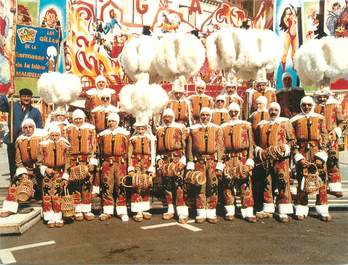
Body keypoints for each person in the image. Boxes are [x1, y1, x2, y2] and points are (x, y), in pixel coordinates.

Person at [291, 96, 331, 221]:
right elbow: (292, 140)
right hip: (302, 153)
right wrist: (298, 155)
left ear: (312, 105)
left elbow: (325, 138)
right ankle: (301, 207)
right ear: (300, 105)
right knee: (301, 180)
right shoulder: (295, 120)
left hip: (317, 152)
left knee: (321, 180)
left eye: (309, 105)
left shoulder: (320, 119)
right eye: (304, 105)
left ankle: (322, 208)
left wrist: (322, 155)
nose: (306, 107)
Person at [254, 102, 295, 222]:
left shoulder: (285, 123)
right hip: (266, 158)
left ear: (279, 111)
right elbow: (256, 141)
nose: (273, 112)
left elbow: (292, 139)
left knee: (282, 181)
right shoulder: (262, 125)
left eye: (276, 110)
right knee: (267, 181)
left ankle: (283, 209)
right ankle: (268, 207)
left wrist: (285, 148)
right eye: (271, 110)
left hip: (280, 158)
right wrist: (258, 150)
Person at [0, 119, 46, 217]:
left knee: (48, 183)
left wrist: (39, 169)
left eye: (30, 127)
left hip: (40, 169)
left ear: (34, 127)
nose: (28, 130)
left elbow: (45, 157)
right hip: (26, 169)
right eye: (25, 128)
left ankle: (49, 209)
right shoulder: (20, 141)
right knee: (15, 182)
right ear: (23, 129)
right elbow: (18, 161)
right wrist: (23, 173)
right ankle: (9, 208)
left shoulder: (41, 139)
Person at [186, 107, 224, 224]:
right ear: (200, 116)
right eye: (203, 115)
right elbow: (189, 148)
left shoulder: (217, 129)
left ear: (210, 116)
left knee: (212, 185)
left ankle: (211, 210)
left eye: (207, 115)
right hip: (199, 162)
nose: (205, 117)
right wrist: (191, 162)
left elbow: (220, 147)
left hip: (212, 162)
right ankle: (201, 211)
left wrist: (219, 163)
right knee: (199, 186)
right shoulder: (194, 129)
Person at [220, 103, 256, 223]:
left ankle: (247, 211)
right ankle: (230, 210)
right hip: (229, 159)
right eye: (231, 111)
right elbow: (220, 146)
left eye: (235, 111)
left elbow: (251, 144)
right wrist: (221, 163)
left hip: (242, 158)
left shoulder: (246, 125)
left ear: (239, 112)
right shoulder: (223, 127)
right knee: (228, 184)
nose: (234, 113)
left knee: (245, 184)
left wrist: (250, 160)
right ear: (228, 113)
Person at [63, 109, 98, 221]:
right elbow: (65, 148)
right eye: (76, 119)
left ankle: (87, 209)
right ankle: (77, 210)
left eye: (80, 118)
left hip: (86, 160)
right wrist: (67, 164)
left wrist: (92, 162)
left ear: (83, 119)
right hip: (73, 160)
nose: (78, 121)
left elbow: (94, 147)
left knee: (86, 185)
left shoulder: (90, 129)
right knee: (74, 185)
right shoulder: (67, 130)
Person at [0, 88, 42, 180]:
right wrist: (8, 94)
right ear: (20, 97)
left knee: (28, 165)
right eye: (24, 96)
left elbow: (39, 129)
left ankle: (29, 184)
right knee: (13, 165)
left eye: (28, 96)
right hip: (12, 140)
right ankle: (14, 183)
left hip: (28, 143)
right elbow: (0, 105)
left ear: (31, 98)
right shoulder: (13, 106)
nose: (26, 98)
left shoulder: (36, 112)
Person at [156, 108, 189, 223]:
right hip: (165, 160)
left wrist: (184, 160)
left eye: (169, 116)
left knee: (179, 185)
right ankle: (170, 209)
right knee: (167, 186)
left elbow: (186, 145)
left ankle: (182, 212)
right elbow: (157, 148)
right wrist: (159, 159)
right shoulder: (159, 130)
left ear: (173, 117)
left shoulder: (180, 128)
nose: (167, 119)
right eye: (165, 116)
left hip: (177, 159)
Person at [98, 112, 130, 221]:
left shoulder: (124, 134)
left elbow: (128, 150)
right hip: (107, 163)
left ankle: (121, 210)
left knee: (121, 186)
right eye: (109, 121)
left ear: (117, 122)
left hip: (120, 163)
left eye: (113, 121)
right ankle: (107, 210)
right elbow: (100, 150)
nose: (111, 123)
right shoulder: (103, 135)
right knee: (107, 186)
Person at [313, 88, 345, 198]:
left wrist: (336, 131)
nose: (322, 99)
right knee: (320, 165)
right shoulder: (313, 108)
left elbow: (342, 122)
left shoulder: (336, 106)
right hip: (319, 140)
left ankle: (335, 186)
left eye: (324, 96)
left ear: (328, 96)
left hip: (332, 139)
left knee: (333, 162)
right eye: (320, 97)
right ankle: (321, 190)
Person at [38, 124, 70, 228]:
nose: (54, 137)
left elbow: (67, 161)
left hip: (59, 172)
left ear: (59, 135)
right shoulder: (43, 145)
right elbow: (39, 161)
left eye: (57, 135)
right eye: (52, 135)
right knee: (47, 194)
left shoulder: (64, 145)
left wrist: (65, 175)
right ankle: (49, 216)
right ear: (49, 135)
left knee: (57, 194)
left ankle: (58, 215)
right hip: (48, 172)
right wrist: (45, 169)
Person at [127, 117, 156, 222]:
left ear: (146, 129)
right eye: (138, 129)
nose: (140, 131)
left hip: (147, 163)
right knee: (136, 184)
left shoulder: (151, 139)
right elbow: (129, 154)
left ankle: (145, 208)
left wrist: (152, 167)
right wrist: (130, 167)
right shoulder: (132, 140)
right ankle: (137, 210)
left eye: (142, 128)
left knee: (146, 185)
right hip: (136, 163)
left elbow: (153, 153)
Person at [279, 5, 298, 72]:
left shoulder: (293, 16)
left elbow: (295, 14)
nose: (289, 15)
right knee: (285, 52)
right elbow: (289, 27)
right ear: (285, 14)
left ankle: (294, 66)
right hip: (288, 35)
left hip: (294, 35)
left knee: (294, 51)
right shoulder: (285, 19)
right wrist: (293, 20)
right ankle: (283, 69)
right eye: (287, 14)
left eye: (290, 13)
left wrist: (293, 11)